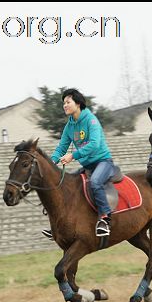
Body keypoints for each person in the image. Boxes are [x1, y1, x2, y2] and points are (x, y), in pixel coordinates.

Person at [44, 88, 115, 238]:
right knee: (68, 185)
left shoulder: (91, 120)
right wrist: (50, 164)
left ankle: (105, 219)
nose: (65, 105)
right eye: (64, 103)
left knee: (95, 182)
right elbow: (61, 148)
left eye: (68, 102)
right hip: (87, 165)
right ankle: (57, 226)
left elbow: (95, 144)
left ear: (78, 104)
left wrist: (73, 155)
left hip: (103, 162)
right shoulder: (69, 126)